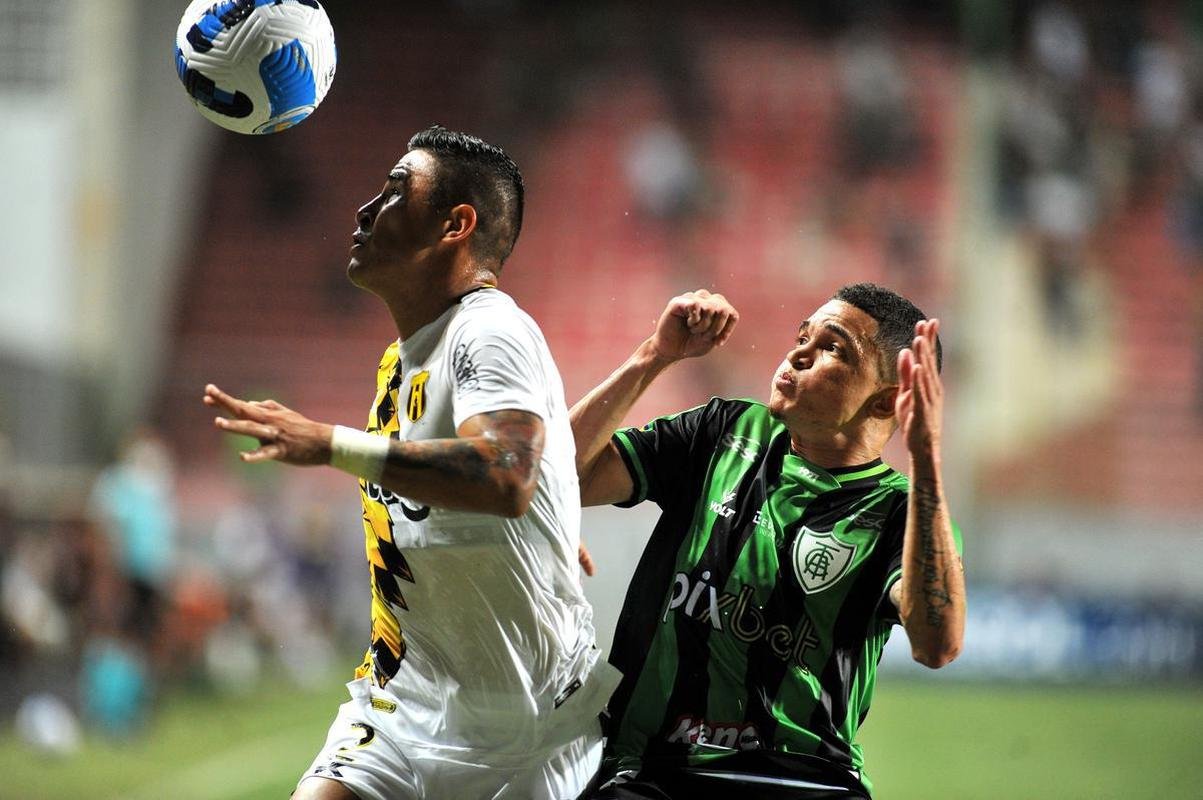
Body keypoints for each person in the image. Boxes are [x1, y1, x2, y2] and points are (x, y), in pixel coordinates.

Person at [203, 125, 617, 800]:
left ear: (456, 225)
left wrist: (330, 444)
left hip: (531, 732)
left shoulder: (489, 328)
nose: (366, 209)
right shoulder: (400, 363)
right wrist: (546, 522)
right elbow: (510, 481)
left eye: (395, 191)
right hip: (401, 703)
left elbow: (506, 473)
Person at [571, 284, 966, 798]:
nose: (799, 354)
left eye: (833, 348)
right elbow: (560, 476)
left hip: (808, 779)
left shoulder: (902, 513)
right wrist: (655, 355)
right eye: (802, 337)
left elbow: (937, 645)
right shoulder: (723, 433)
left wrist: (926, 457)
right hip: (655, 774)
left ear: (888, 399)